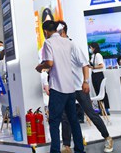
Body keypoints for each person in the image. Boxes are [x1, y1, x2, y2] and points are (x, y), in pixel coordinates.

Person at [46, 22, 113, 153]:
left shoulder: (73, 45)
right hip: (64, 87)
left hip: (78, 86)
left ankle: (107, 137)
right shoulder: (55, 46)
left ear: (62, 31)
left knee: (90, 113)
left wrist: (85, 81)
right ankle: (66, 146)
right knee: (65, 117)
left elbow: (84, 64)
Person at [36, 20, 87, 153]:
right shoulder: (67, 42)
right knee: (73, 120)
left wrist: (40, 67)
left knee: (54, 122)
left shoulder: (48, 42)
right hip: (70, 87)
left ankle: (55, 150)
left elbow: (49, 63)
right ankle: (80, 149)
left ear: (45, 31)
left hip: (57, 87)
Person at [88, 42, 109, 114]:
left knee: (102, 92)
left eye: (90, 48)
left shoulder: (98, 55)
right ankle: (101, 109)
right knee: (97, 92)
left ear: (94, 48)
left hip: (99, 74)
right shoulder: (93, 55)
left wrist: (93, 67)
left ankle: (106, 109)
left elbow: (101, 65)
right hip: (94, 74)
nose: (90, 49)